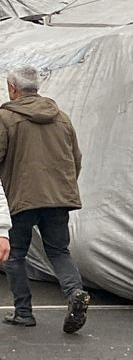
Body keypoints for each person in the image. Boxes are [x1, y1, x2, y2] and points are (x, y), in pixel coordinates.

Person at [0, 65, 89, 332]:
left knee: (16, 256)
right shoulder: (61, 117)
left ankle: (24, 312)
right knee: (58, 251)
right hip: (58, 198)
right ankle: (75, 293)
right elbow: (76, 158)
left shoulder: (5, 118)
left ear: (13, 89)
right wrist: (64, 187)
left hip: (21, 197)